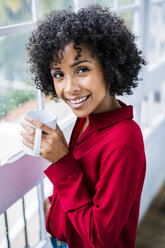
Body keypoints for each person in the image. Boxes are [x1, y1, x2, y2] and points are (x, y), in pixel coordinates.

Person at [20, 4, 146, 248]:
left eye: (82, 70)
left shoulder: (124, 141)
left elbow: (100, 238)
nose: (70, 88)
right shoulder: (87, 118)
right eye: (59, 74)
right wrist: (54, 206)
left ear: (109, 68)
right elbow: (87, 183)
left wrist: (61, 161)